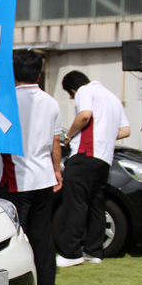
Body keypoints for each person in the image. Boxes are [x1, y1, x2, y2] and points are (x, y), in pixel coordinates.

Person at [0, 49, 62, 285]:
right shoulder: (51, 102)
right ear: (39, 74)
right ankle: (46, 282)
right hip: (44, 178)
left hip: (17, 180)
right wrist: (57, 170)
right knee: (42, 233)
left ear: (13, 72)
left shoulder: (5, 101)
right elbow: (56, 143)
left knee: (12, 235)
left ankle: (15, 283)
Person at [56, 71, 131, 267]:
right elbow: (126, 130)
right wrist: (104, 135)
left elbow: (85, 115)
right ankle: (94, 251)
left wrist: (69, 136)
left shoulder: (84, 91)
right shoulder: (113, 98)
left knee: (76, 203)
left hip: (85, 154)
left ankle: (71, 253)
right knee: (96, 203)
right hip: (104, 158)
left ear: (73, 90)